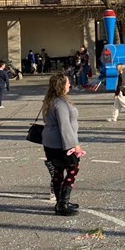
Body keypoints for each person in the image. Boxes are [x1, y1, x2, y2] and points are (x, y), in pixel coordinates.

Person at [41, 73, 85, 216]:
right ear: (61, 85)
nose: (69, 85)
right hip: (61, 143)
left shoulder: (50, 100)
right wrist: (74, 145)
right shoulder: (60, 103)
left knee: (58, 171)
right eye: (67, 83)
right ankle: (62, 204)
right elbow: (64, 126)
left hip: (49, 142)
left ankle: (60, 201)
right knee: (73, 168)